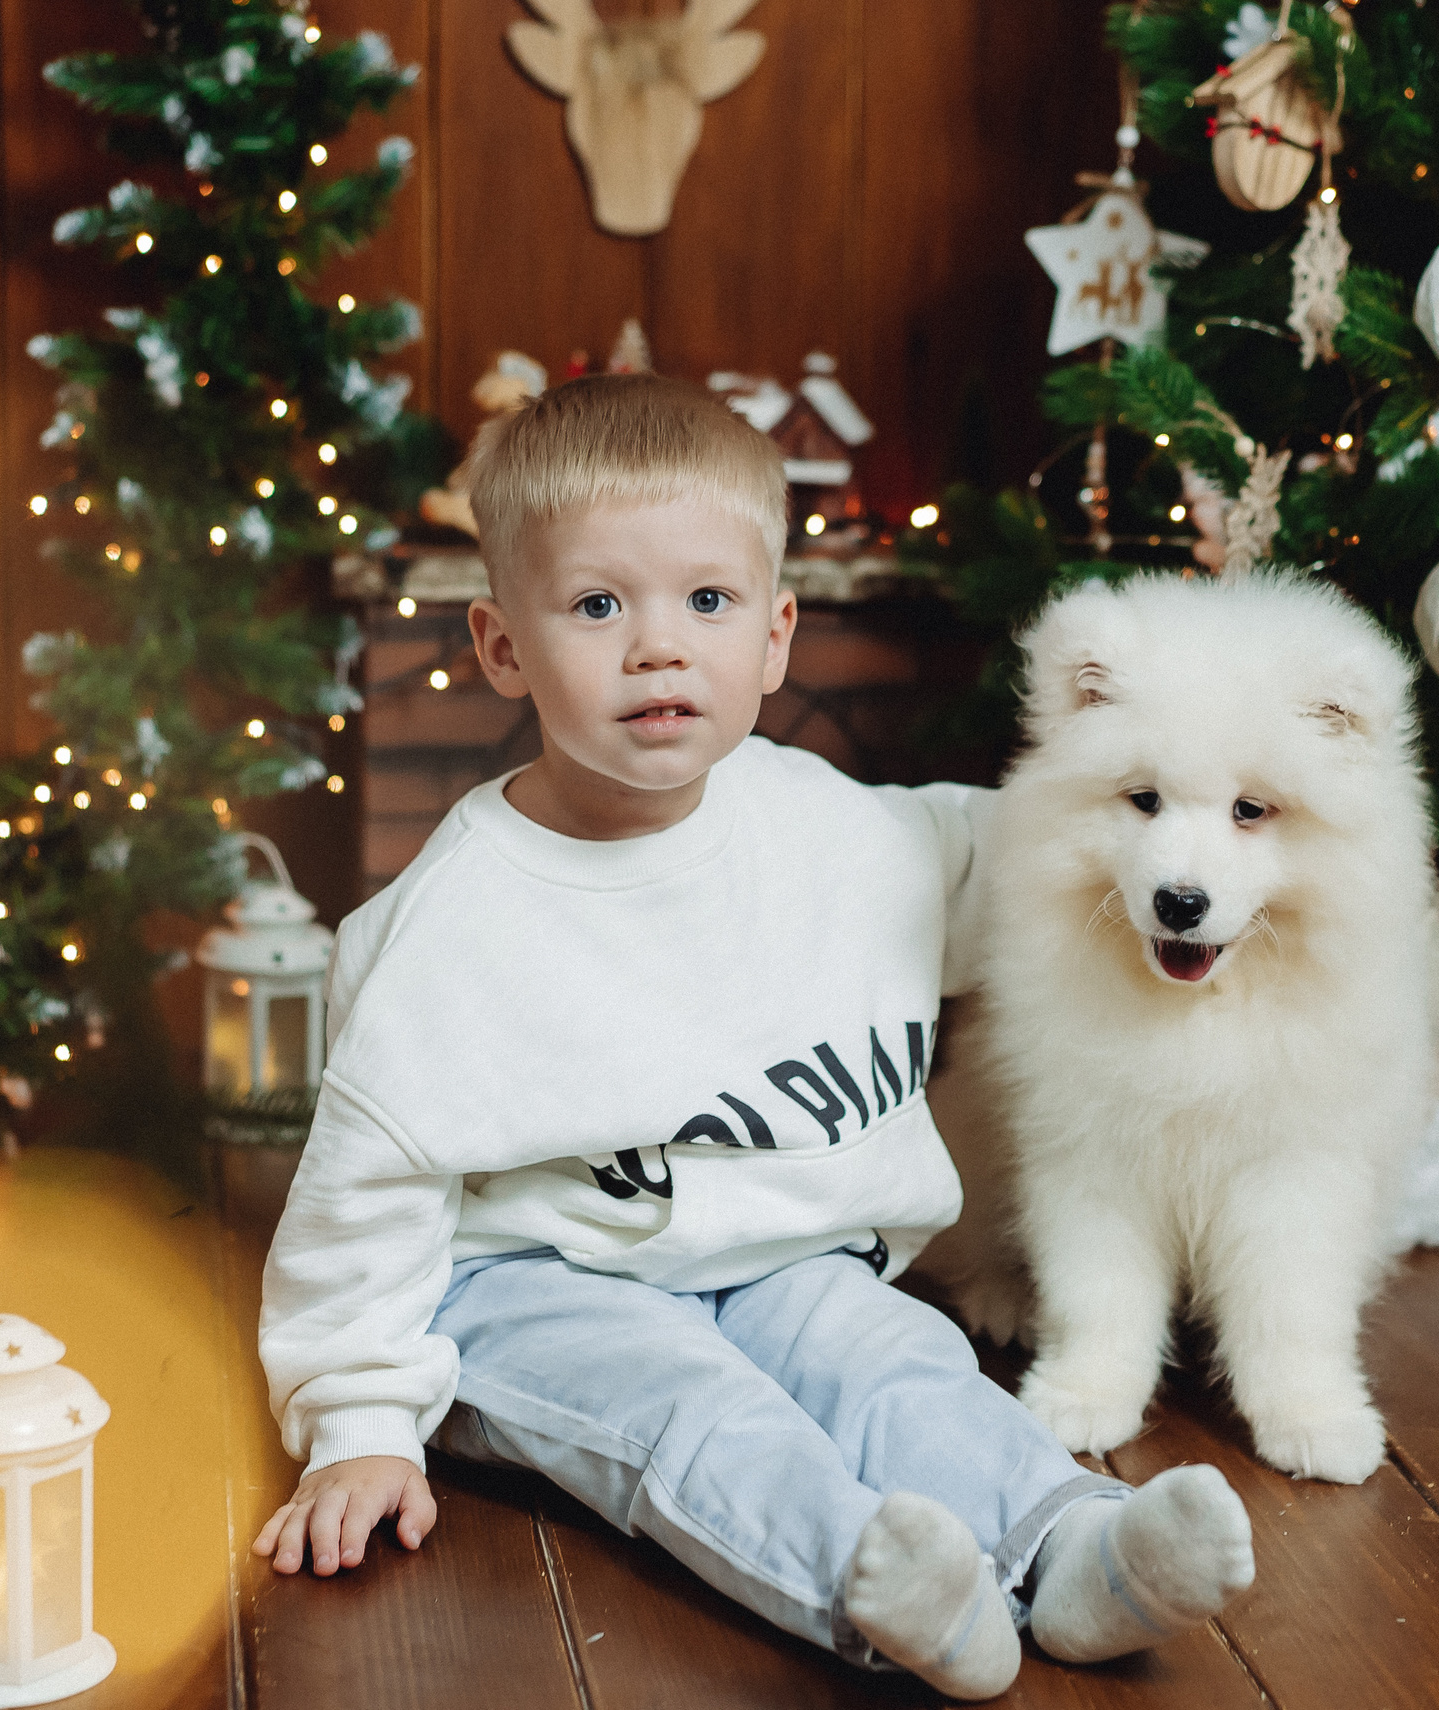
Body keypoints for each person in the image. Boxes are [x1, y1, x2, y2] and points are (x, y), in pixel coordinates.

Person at [252, 374, 1256, 1698]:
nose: (658, 646)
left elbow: (1025, 860)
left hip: (779, 1252)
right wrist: (361, 1422)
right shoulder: (448, 930)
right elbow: (359, 1198)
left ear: (776, 635)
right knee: (689, 1406)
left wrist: (1170, 831)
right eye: (599, 604)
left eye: (707, 602)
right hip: (538, 1282)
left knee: (894, 1358)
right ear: (501, 646)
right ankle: (866, 1575)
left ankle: (1069, 1546)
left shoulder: (839, 833)